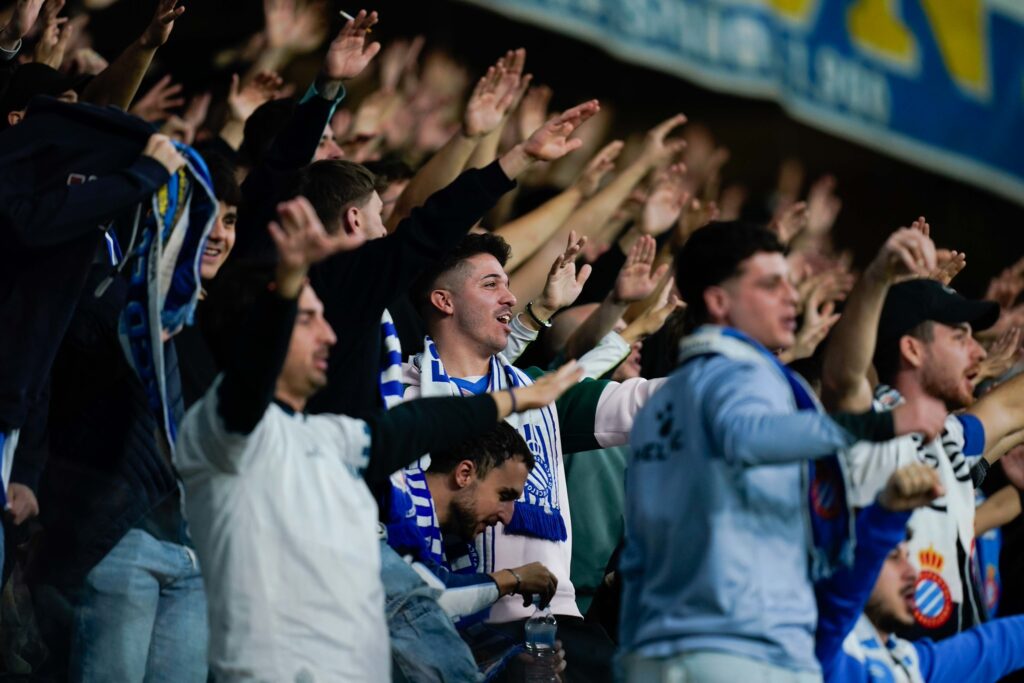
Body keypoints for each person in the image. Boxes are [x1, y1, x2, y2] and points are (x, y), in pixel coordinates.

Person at [174, 197, 583, 682]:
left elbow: (410, 428)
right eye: (306, 320)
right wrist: (288, 284)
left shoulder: (320, 438)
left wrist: (513, 400)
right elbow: (248, 383)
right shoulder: (223, 432)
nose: (328, 336)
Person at [619, 221, 949, 683]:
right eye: (771, 285)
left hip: (657, 646)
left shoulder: (665, 400)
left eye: (790, 283)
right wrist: (883, 423)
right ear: (719, 302)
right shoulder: (743, 374)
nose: (791, 297)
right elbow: (748, 435)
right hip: (741, 649)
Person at [405, 230, 668, 682]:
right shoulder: (403, 398)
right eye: (490, 284)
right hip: (453, 626)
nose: (510, 297)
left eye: (507, 284)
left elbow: (638, 401)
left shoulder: (538, 392)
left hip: (556, 619)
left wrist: (727, 379)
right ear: (444, 301)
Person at [823, 219, 1024, 640]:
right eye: (960, 338)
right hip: (878, 653)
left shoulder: (951, 437)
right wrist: (878, 279)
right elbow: (844, 376)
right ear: (912, 349)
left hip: (933, 662)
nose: (978, 351)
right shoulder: (871, 423)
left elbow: (1013, 406)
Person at [814, 463, 1024, 683]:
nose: (913, 572)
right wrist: (886, 517)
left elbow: (997, 645)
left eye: (908, 557)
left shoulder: (910, 664)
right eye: (893, 557)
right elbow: (841, 600)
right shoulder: (825, 647)